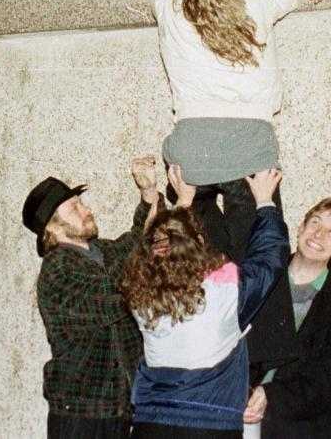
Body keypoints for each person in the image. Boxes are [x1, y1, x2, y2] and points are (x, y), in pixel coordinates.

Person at [152, 0, 296, 259]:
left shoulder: (168, 3)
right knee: (256, 253)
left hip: (191, 148)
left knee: (196, 259)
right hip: (250, 144)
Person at [120, 169, 287, 437]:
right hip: (208, 424)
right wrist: (265, 201)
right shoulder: (225, 292)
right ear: (199, 243)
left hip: (150, 425)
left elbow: (160, 249)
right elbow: (269, 258)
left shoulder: (140, 297)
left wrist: (183, 203)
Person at [21, 158, 160, 438]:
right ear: (53, 228)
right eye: (75, 207)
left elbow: (137, 238)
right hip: (81, 415)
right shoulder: (57, 272)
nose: (87, 210)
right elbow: (113, 298)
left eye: (81, 203)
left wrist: (149, 192)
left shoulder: (102, 252)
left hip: (118, 409)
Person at [245, 199, 331, 437]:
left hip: (301, 427)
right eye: (315, 223)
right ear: (300, 228)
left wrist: (270, 395)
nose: (318, 235)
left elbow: (328, 383)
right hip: (239, 414)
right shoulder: (262, 275)